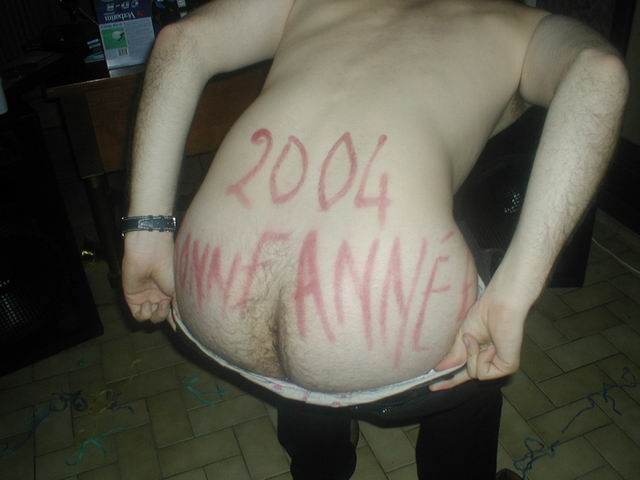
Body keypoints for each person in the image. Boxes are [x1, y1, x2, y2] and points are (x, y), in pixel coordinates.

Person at [122, 0, 629, 478]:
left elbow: (180, 42)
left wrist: (146, 231)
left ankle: (320, 467)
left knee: (308, 387)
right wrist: (513, 292)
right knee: (473, 387)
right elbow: (599, 72)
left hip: (213, 297)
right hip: (381, 341)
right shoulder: (517, 26)